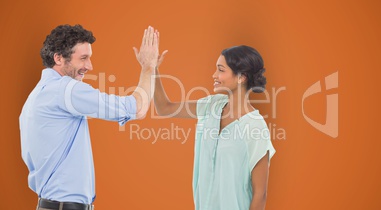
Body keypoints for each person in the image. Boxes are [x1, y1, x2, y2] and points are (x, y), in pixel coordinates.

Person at [19, 24, 160, 210]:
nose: (89, 66)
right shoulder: (66, 90)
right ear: (58, 58)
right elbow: (138, 108)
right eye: (83, 58)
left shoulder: (35, 96)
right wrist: (148, 67)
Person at [154, 45, 276, 210]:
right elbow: (164, 108)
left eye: (221, 70)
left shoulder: (255, 126)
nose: (214, 75)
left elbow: (260, 194)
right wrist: (152, 68)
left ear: (241, 77)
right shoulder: (212, 105)